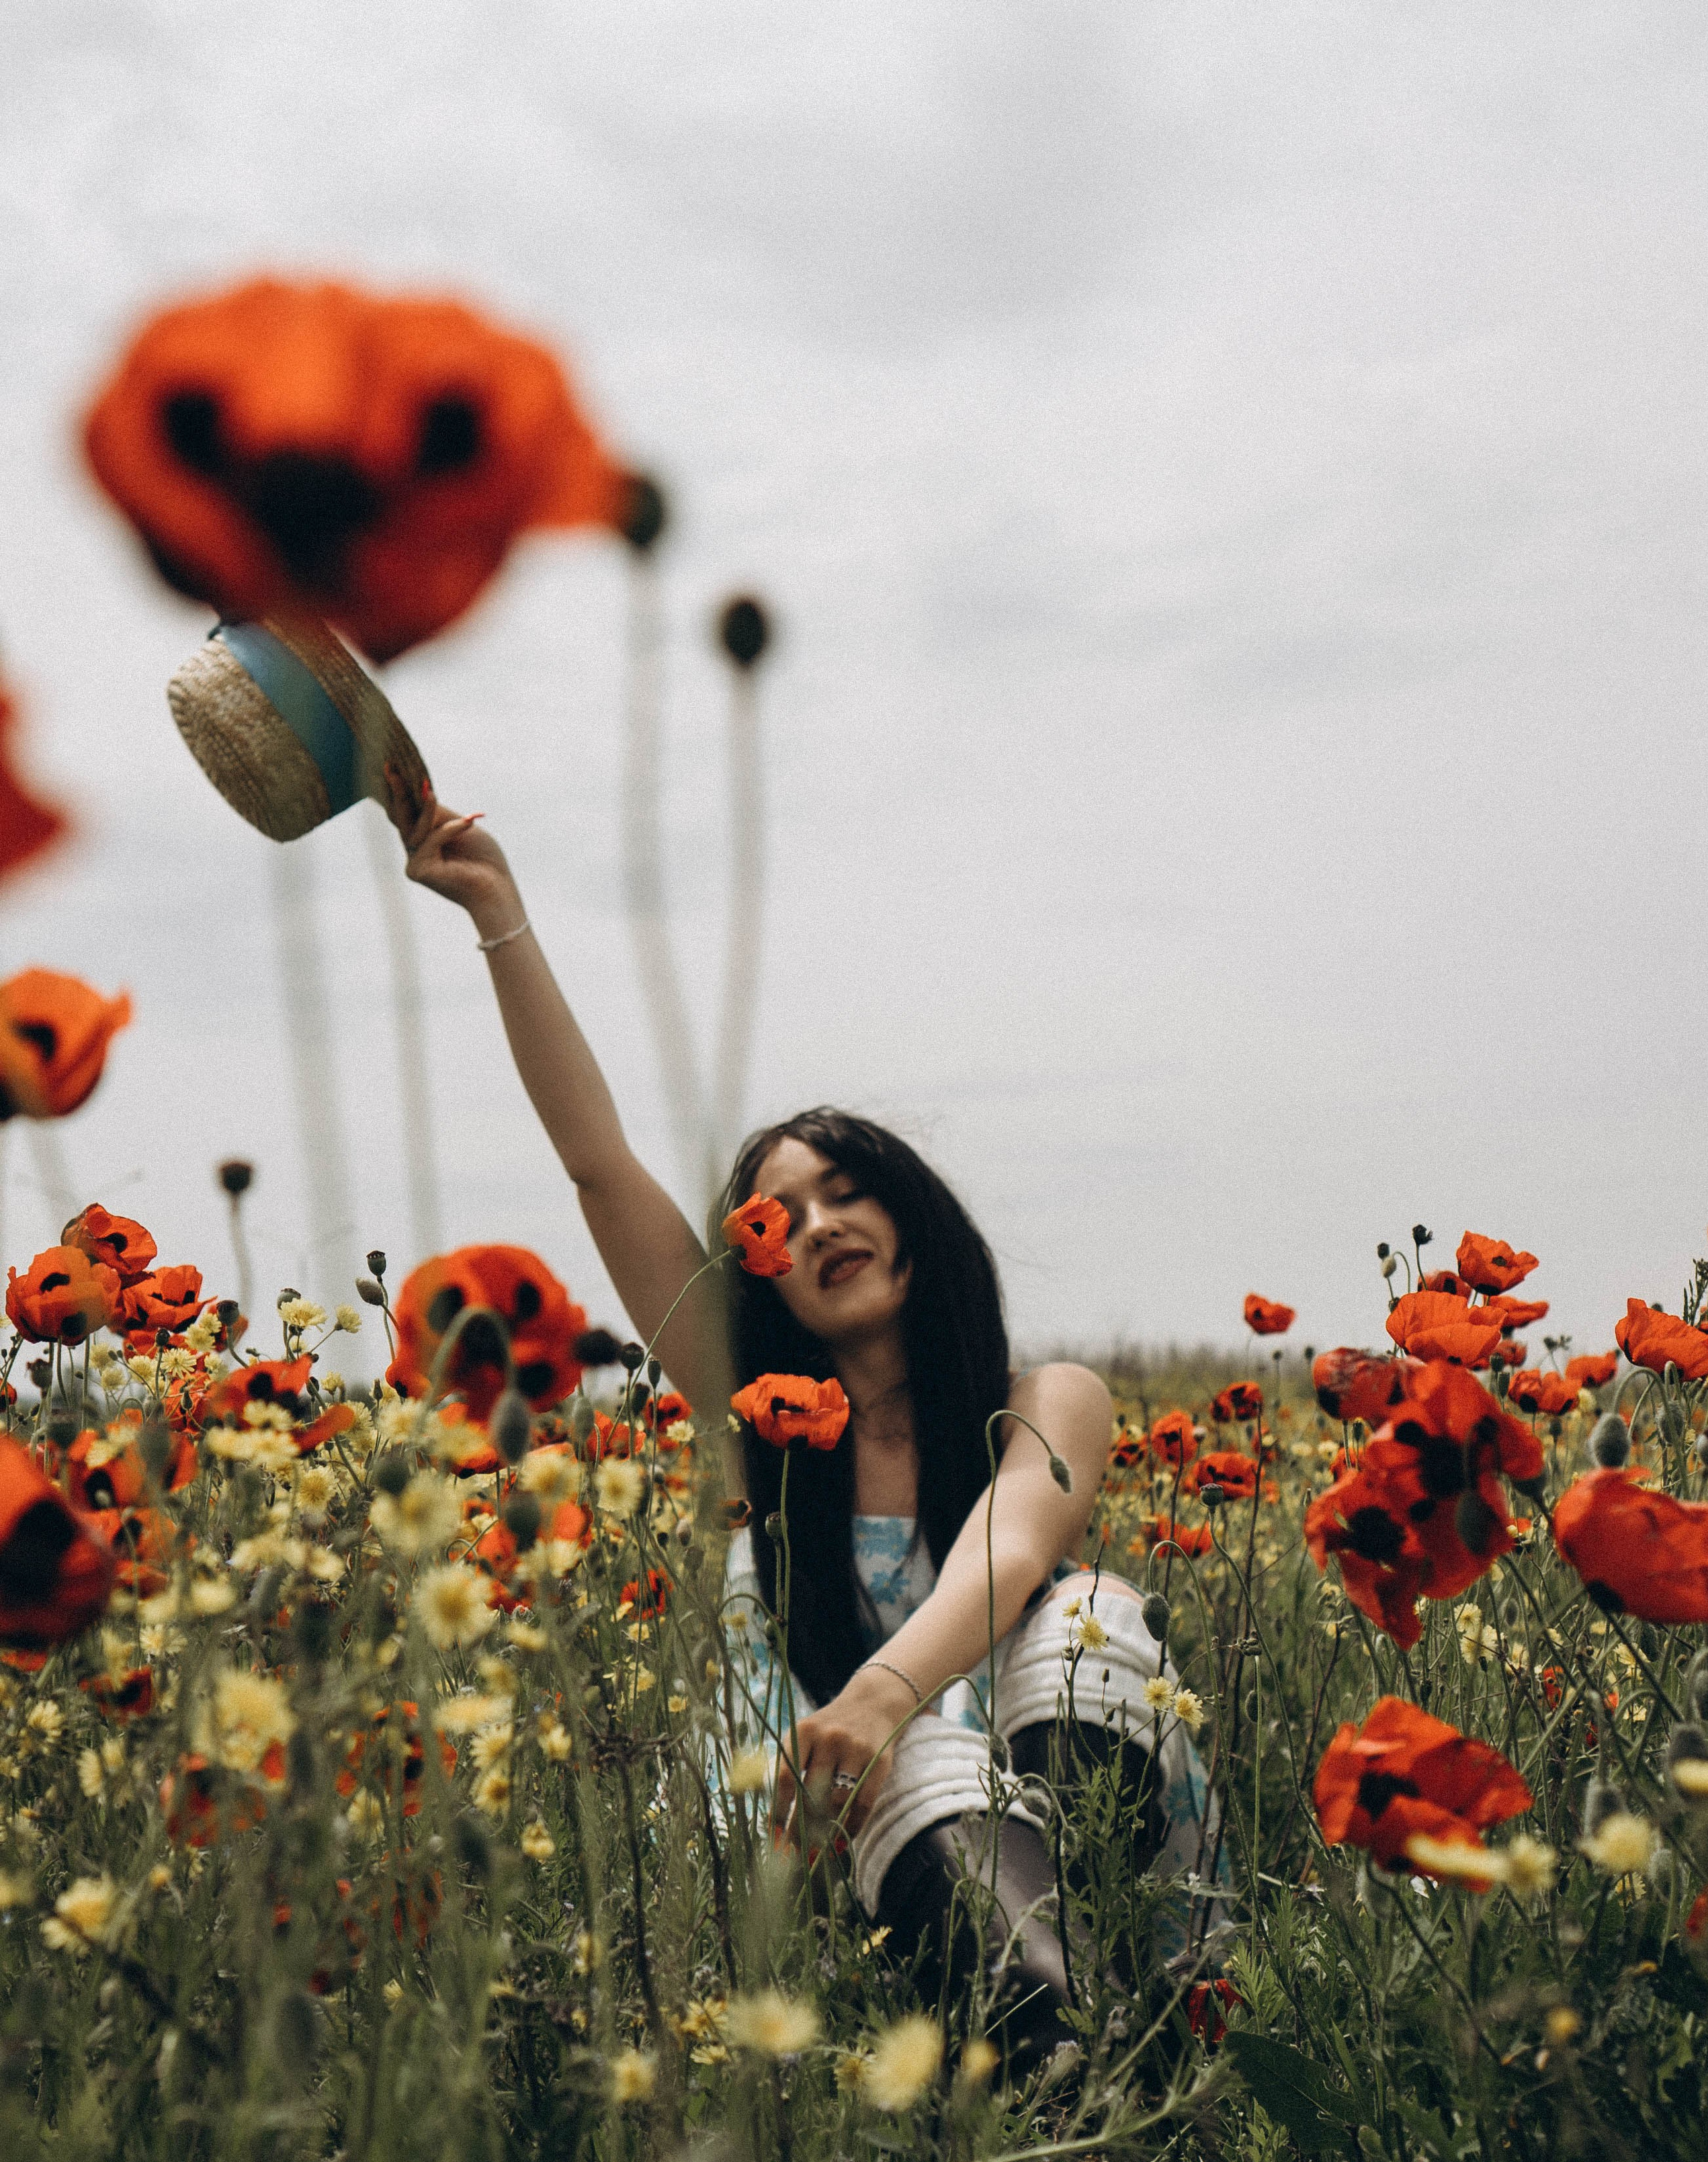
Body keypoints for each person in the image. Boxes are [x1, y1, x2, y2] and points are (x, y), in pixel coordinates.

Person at [398, 787, 1223, 2067]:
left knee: (1087, 1621)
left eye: (848, 1193)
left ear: (912, 1219)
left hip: (1034, 1803)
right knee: (908, 1768)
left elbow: (1011, 1550)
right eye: (780, 1220)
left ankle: (1123, 1994)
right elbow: (600, 1164)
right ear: (759, 1275)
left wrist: (884, 1697)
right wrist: (499, 914)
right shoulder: (755, 1419)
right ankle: (1059, 2062)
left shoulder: (1043, 1401)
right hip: (825, 1835)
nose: (822, 1225)